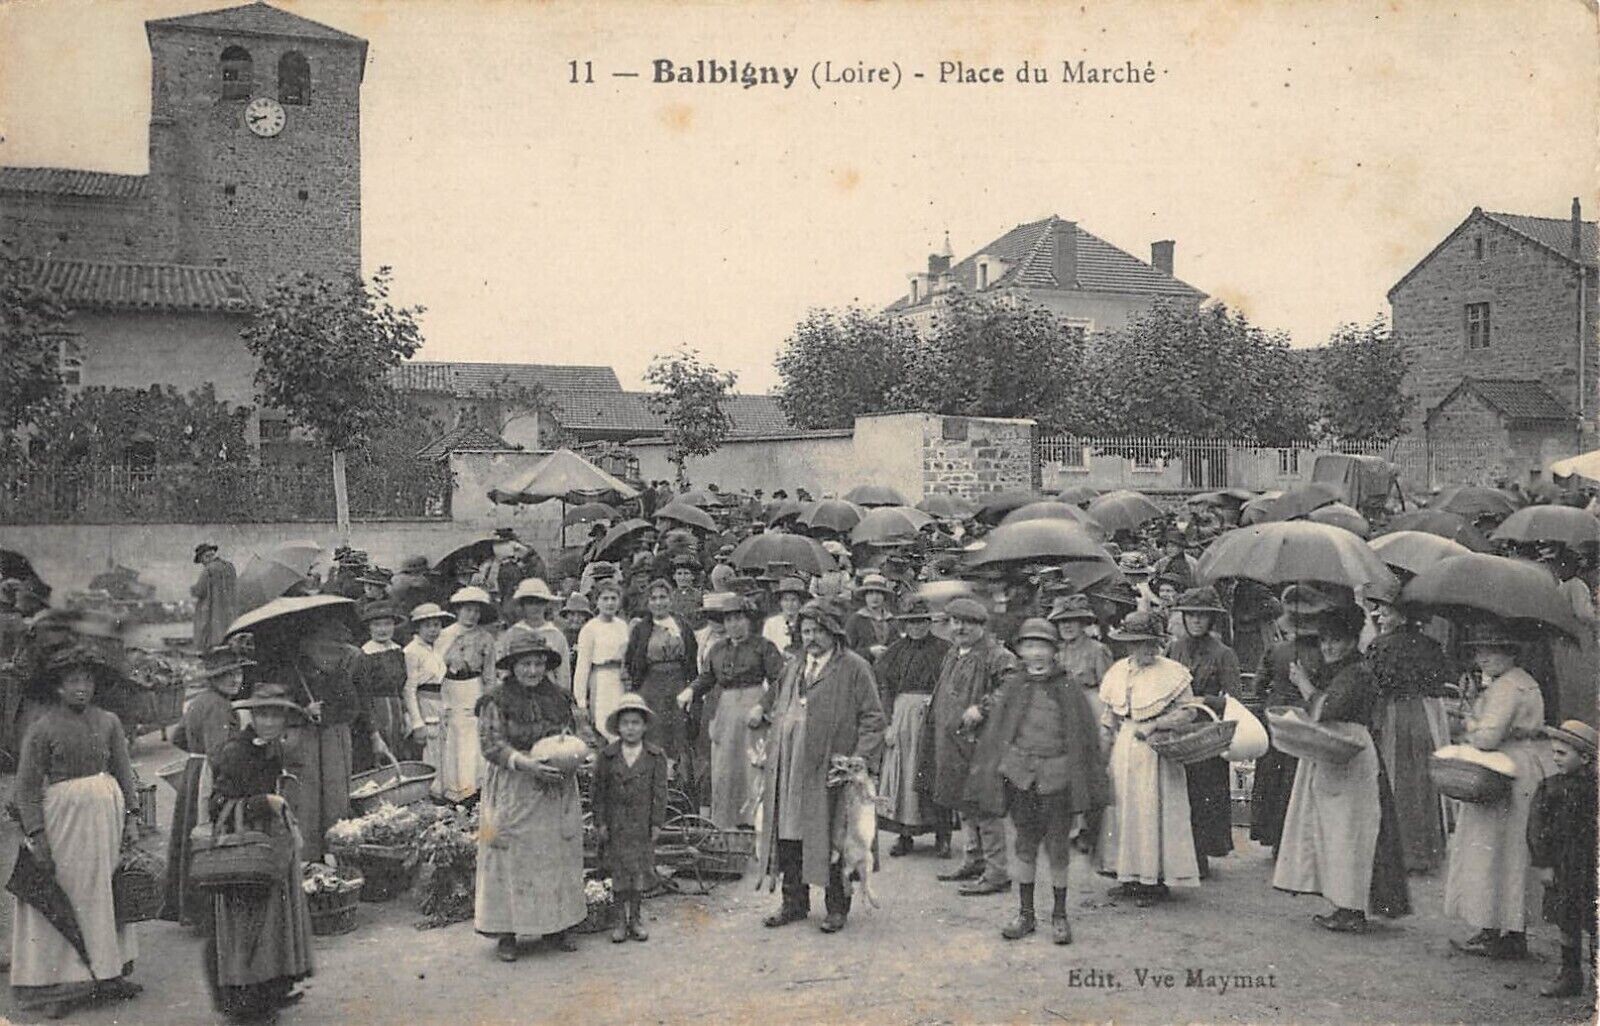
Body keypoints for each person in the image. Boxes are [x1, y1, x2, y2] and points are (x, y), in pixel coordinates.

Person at [11, 645, 142, 1019]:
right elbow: (26, 788)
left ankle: (109, 972)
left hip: (106, 818)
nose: (81, 687)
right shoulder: (42, 728)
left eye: (86, 680)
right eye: (72, 681)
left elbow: (123, 771)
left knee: (106, 891)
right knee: (68, 894)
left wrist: (132, 816)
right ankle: (61, 982)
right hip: (65, 822)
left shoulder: (109, 722)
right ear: (58, 687)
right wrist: (37, 834)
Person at [966, 619, 1110, 944]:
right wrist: (1005, 764)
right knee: (1025, 844)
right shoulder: (1015, 687)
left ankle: (1059, 915)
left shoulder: (1068, 688)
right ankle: (1025, 913)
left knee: (1058, 847)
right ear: (1019, 651)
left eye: (1043, 646)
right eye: (1029, 646)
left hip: (1057, 779)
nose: (1036, 654)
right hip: (1021, 778)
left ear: (1054, 651)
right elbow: (1000, 731)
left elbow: (1084, 738)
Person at [749, 599, 885, 934]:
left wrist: (860, 758)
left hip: (830, 769)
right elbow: (776, 699)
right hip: (790, 767)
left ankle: (837, 907)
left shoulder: (853, 667)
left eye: (818, 631)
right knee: (789, 832)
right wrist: (763, 714)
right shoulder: (795, 666)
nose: (810, 638)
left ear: (834, 633)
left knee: (833, 835)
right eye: (806, 631)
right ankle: (794, 903)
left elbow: (873, 718)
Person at [1272, 605, 1410, 933]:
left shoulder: (1357, 673)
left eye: (1337, 640)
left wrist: (1303, 684)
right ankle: (1344, 903)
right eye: (1325, 640)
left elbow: (1328, 709)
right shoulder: (1339, 670)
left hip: (1351, 753)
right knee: (1335, 831)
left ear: (1351, 641)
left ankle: (1352, 908)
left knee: (1351, 832)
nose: (1329, 647)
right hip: (1333, 751)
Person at [474, 633, 599, 962]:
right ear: (512, 667)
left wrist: (579, 755)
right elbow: (491, 745)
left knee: (554, 855)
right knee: (508, 855)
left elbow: (577, 734)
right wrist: (526, 763)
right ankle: (507, 931)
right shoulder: (495, 701)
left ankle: (557, 925)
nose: (532, 671)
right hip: (514, 784)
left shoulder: (560, 697)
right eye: (525, 664)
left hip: (555, 786)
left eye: (539, 664)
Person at [204, 682, 315, 1024]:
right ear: (252, 716)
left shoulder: (272, 748)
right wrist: (262, 802)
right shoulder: (235, 752)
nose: (269, 722)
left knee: (273, 921)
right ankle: (244, 1003)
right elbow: (217, 805)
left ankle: (272, 988)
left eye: (275, 716)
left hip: (271, 843)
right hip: (246, 847)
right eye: (263, 715)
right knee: (247, 924)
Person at [1444, 622, 1553, 961]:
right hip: (1526, 767)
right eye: (1480, 650)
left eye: (1493, 650)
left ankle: (1492, 929)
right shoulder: (1524, 682)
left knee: (1491, 850)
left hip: (1503, 770)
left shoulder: (1507, 687)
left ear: (1510, 653)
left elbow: (1487, 737)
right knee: (1515, 853)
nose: (1484, 657)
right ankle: (1512, 930)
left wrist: (1468, 724)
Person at [1096, 610, 1201, 907]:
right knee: (1123, 810)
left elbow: (1189, 711)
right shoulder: (1118, 670)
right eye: (1134, 643)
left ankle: (1154, 882)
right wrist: (1102, 750)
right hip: (1124, 747)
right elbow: (1109, 716)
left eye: (1146, 642)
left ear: (1156, 642)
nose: (1141, 649)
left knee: (1151, 811)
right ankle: (1128, 876)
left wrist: (1156, 724)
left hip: (1157, 750)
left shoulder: (1172, 672)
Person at [927, 598, 1017, 896]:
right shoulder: (953, 653)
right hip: (954, 742)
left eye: (968, 623)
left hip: (983, 743)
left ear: (981, 625)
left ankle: (997, 872)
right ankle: (974, 859)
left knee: (985, 805)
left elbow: (1012, 688)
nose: (961, 628)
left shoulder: (997, 655)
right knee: (964, 803)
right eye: (956, 622)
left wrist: (983, 708)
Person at [283, 617, 389, 860]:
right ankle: (308, 856)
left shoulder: (342, 669)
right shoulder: (294, 668)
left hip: (336, 738)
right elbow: (281, 704)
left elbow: (354, 706)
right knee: (308, 798)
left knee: (335, 796)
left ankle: (337, 852)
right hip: (306, 740)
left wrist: (329, 713)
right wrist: (303, 710)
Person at [162, 645, 253, 926]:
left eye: (238, 673)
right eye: (227, 675)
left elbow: (177, 737)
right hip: (210, 776)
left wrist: (196, 754)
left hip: (194, 770)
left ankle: (189, 907)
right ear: (214, 677)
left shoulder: (199, 701)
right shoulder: (219, 706)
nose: (235, 680)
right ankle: (208, 911)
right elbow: (219, 752)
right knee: (212, 836)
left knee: (191, 835)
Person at [1364, 587, 1453, 874]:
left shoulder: (1381, 645)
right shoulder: (1431, 645)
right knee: (1423, 781)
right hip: (1427, 714)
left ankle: (1397, 852)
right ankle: (1424, 851)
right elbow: (1441, 680)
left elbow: (1373, 684)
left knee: (1395, 778)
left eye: (1386, 610)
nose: (1380, 615)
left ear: (1402, 615)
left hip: (1394, 714)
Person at [678, 594, 785, 829]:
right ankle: (725, 823)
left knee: (751, 766)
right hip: (725, 710)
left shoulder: (763, 647)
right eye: (728, 620)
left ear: (748, 620)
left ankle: (753, 822)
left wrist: (763, 706)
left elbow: (780, 680)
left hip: (753, 707)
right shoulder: (718, 649)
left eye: (739, 619)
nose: (734, 624)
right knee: (724, 767)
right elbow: (707, 677)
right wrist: (690, 690)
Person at [1249, 587, 1329, 855]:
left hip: (1278, 718)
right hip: (1308, 717)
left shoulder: (1276, 650)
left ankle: (1275, 839)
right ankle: (1300, 840)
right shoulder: (1325, 653)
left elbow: (1258, 686)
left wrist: (1272, 699)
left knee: (1273, 777)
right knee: (1299, 779)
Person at [1166, 586, 1239, 879]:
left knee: (1204, 796)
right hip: (1177, 730)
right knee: (1176, 793)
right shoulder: (1174, 649)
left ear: (1211, 619)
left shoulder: (1223, 653)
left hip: (1207, 734)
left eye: (1202, 616)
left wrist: (1204, 700)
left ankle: (1201, 856)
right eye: (1191, 615)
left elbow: (1234, 699)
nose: (1196, 620)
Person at [874, 599, 952, 857]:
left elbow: (952, 683)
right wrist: (888, 723)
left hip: (935, 714)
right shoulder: (895, 651)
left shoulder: (945, 649)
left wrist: (939, 704)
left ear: (929, 623)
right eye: (911, 623)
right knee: (903, 774)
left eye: (921, 622)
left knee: (935, 772)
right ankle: (904, 835)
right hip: (903, 716)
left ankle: (943, 835)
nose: (916, 627)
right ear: (904, 625)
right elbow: (885, 687)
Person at [1527, 719, 1598, 997]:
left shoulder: (1594, 790)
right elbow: (1536, 829)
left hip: (1590, 866)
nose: (1556, 758)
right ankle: (1570, 974)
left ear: (1585, 758)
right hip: (1563, 866)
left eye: (1562, 753)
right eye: (1554, 753)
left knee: (1594, 919)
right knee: (1566, 918)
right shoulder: (1550, 788)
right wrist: (1544, 863)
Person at [591, 693, 669, 944]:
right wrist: (601, 822)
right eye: (625, 723)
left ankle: (635, 919)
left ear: (645, 726)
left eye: (636, 723)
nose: (631, 728)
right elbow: (598, 792)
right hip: (616, 825)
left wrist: (656, 823)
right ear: (618, 727)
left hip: (641, 825)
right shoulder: (607, 756)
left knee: (638, 874)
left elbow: (660, 793)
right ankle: (619, 921)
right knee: (618, 874)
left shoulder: (655, 756)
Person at [624, 580, 698, 794]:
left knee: (678, 735)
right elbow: (631, 660)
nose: (658, 602)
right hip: (651, 687)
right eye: (654, 598)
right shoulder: (641, 629)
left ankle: (680, 790)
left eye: (663, 597)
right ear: (648, 602)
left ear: (670, 599)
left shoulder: (682, 626)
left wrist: (690, 689)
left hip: (677, 685)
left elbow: (691, 658)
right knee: (653, 733)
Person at [436, 587, 500, 803]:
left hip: (473, 688)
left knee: (471, 737)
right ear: (458, 610)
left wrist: (489, 699)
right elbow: (434, 665)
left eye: (476, 611)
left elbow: (489, 672)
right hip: (448, 688)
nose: (472, 615)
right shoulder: (444, 635)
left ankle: (472, 789)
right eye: (467, 610)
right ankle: (450, 789)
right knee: (451, 737)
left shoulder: (485, 638)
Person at [572, 582, 631, 739]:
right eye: (605, 599)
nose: (610, 603)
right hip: (602, 680)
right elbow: (582, 666)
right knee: (605, 727)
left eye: (613, 598)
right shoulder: (590, 629)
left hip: (622, 681)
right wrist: (581, 700)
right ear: (597, 601)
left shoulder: (623, 626)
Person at [354, 602, 410, 766]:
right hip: (375, 712)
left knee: (398, 754)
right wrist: (373, 730)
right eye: (377, 625)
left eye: (387, 624)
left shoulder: (398, 651)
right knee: (378, 757)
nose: (383, 629)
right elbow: (363, 695)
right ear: (369, 627)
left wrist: (406, 714)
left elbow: (402, 686)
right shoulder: (364, 654)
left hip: (396, 710)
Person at [497, 579, 572, 696]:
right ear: (522, 605)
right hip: (517, 693)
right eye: (530, 603)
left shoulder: (556, 635)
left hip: (548, 694)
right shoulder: (512, 634)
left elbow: (563, 673)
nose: (535, 607)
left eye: (540, 602)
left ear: (546, 604)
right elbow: (503, 668)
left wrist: (562, 696)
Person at [402, 603, 453, 777]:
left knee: (443, 753)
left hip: (441, 704)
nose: (433, 630)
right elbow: (409, 689)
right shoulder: (411, 651)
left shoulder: (438, 648)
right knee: (428, 752)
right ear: (418, 627)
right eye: (427, 626)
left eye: (436, 625)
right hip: (424, 704)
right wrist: (417, 722)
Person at [192, 542, 238, 652]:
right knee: (229, 627)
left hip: (214, 607)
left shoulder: (208, 570)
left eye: (202, 560)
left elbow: (199, 591)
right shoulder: (230, 566)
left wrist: (192, 589)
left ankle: (213, 650)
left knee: (211, 629)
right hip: (230, 605)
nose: (203, 564)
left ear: (205, 557)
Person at [844, 574, 900, 660]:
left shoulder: (891, 620)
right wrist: (869, 652)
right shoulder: (855, 619)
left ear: (884, 596)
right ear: (865, 596)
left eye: (878, 593)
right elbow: (846, 651)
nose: (875, 597)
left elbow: (898, 647)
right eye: (870, 593)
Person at [763, 576, 809, 655]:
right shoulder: (771, 623)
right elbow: (765, 649)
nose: (789, 604)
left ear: (800, 602)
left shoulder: (806, 622)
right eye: (785, 600)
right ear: (780, 602)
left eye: (793, 600)